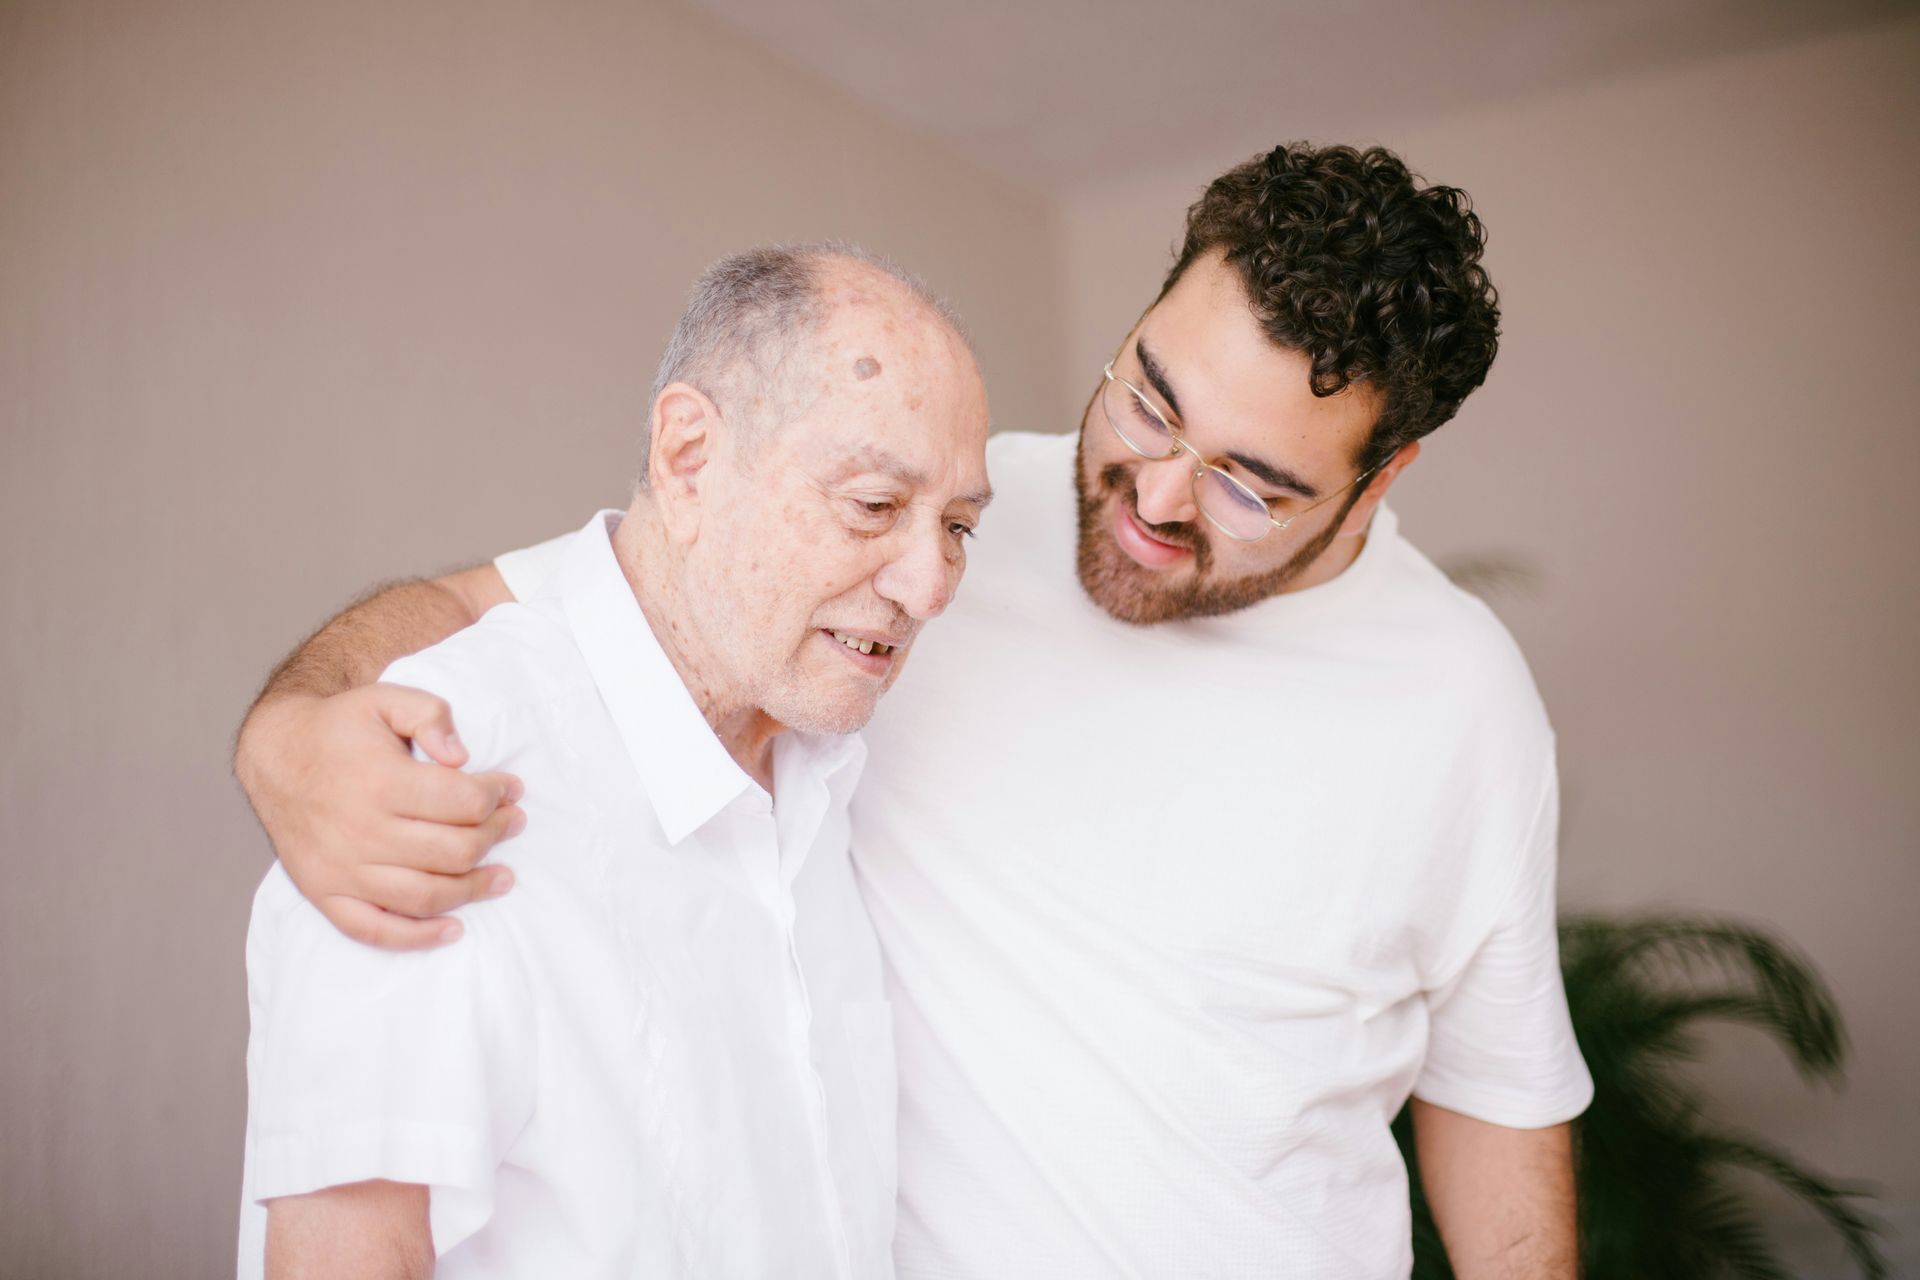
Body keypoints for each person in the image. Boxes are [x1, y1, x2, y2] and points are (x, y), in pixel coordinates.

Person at [235, 144, 1592, 1279]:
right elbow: (567, 596)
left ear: (1382, 473)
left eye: (1252, 484)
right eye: (1148, 400)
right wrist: (289, 726)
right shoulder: (947, 520)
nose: (1160, 497)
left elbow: (1498, 1092)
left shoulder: (1459, 698)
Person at [235, 243, 992, 1278]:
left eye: (958, 526)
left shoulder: (824, 758)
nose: (930, 584)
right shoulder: (420, 782)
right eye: (871, 505)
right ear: (688, 459)